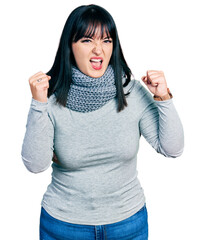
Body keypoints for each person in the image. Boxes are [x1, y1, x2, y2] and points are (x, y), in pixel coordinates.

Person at [21, 4, 184, 240]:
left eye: (106, 40)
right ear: (70, 46)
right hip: (65, 227)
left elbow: (172, 148)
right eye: (87, 40)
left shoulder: (131, 91)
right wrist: (38, 104)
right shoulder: (51, 98)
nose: (99, 50)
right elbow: (35, 165)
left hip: (128, 225)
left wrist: (163, 96)